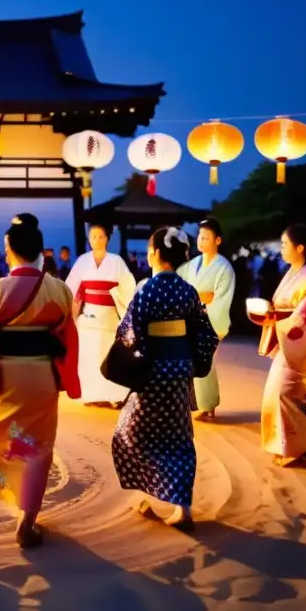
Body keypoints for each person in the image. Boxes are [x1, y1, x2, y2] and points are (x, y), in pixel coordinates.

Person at [0, 214, 81, 548]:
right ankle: (28, 519)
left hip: (7, 376)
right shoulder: (60, 290)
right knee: (39, 446)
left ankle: (9, 488)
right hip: (41, 376)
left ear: (9, 249)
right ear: (40, 250)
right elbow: (67, 336)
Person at [110, 227, 219, 531]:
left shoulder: (147, 289)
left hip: (153, 372)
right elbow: (207, 336)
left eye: (149, 249)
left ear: (156, 254)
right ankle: (182, 508)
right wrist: (193, 364)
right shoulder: (188, 291)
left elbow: (128, 333)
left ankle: (157, 487)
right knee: (179, 436)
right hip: (179, 371)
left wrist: (140, 352)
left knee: (129, 432)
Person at [256, 224, 306, 469]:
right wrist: (272, 314)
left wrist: (278, 321)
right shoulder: (293, 273)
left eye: (285, 244)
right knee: (279, 394)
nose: (282, 248)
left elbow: (304, 318)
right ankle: (294, 446)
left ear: (300, 248)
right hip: (287, 342)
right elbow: (284, 308)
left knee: (291, 395)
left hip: (297, 345)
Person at [63, 221, 137, 408]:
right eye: (93, 236)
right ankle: (91, 394)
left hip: (110, 314)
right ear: (89, 239)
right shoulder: (82, 261)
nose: (97, 240)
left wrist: (116, 294)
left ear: (107, 239)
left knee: (108, 353)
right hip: (89, 315)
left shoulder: (116, 261)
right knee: (89, 354)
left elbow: (128, 287)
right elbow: (71, 288)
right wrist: (72, 309)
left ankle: (113, 395)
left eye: (101, 236)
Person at [176, 217, 236, 420]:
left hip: (209, 319)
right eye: (200, 237)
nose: (201, 241)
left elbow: (222, 299)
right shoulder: (192, 265)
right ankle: (195, 404)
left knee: (205, 361)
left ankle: (208, 405)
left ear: (217, 240)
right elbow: (177, 281)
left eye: (206, 237)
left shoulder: (224, 268)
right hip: (192, 317)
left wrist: (203, 310)